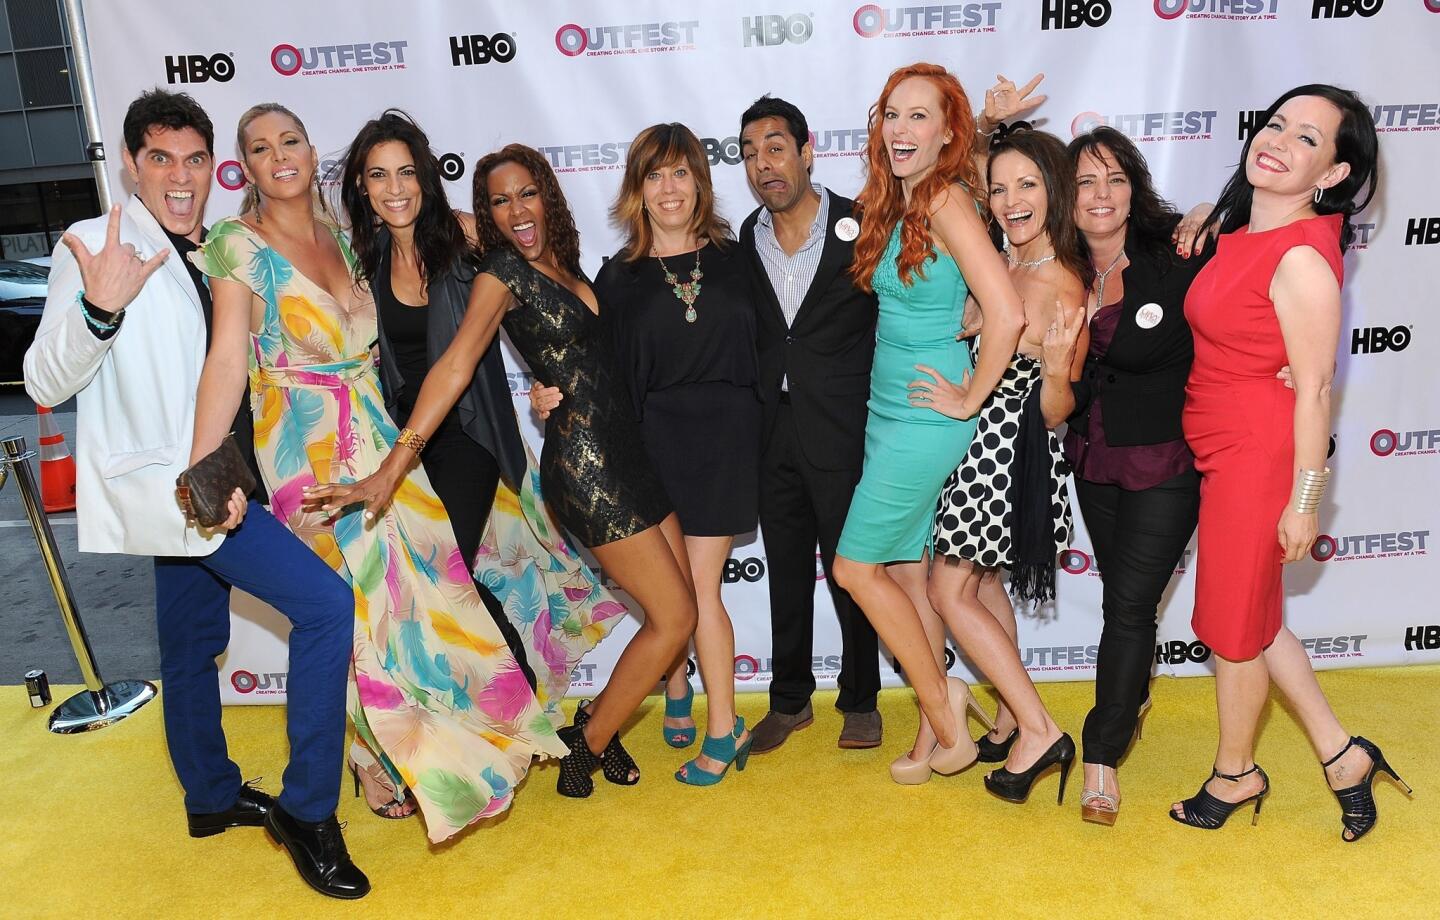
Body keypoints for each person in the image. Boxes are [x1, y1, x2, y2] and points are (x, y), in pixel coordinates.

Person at [189, 104, 567, 841]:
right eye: (260, 148)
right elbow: (228, 359)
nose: (280, 156)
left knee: (425, 598)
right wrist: (209, 468)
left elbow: (481, 254)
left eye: (290, 140)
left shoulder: (342, 234)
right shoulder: (238, 243)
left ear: (310, 149)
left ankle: (440, 743)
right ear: (247, 167)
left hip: (379, 434)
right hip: (300, 446)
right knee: (346, 610)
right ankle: (366, 760)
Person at [23, 90, 366, 899]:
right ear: (131, 165)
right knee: (325, 608)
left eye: (194, 159)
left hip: (232, 475)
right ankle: (309, 812)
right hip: (189, 493)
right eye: (160, 159)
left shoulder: (216, 243)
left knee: (187, 645)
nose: (180, 176)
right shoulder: (94, 248)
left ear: (215, 167)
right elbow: (43, 378)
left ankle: (209, 799)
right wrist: (100, 309)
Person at [308, 144, 701, 799]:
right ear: (485, 215)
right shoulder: (500, 273)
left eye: (527, 193)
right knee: (674, 618)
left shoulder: (565, 262)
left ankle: (595, 723)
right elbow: (456, 365)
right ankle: (589, 742)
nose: (516, 209)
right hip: (588, 468)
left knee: (678, 611)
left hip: (632, 456)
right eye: (499, 200)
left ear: (548, 195)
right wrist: (395, 464)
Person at [1171, 84, 1411, 839]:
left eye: (1309, 138)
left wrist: (1306, 501)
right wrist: (1206, 218)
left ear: (1333, 173)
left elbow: (1313, 390)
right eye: (1277, 124)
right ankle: (1342, 757)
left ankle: (1236, 773)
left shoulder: (1303, 259)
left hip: (1259, 458)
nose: (1279, 140)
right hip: (1224, 447)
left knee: (1233, 629)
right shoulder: (1245, 231)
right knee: (1260, 618)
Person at [337, 110, 623, 724]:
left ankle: (514, 709)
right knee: (420, 582)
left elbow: (530, 290)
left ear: (426, 177)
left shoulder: (466, 235)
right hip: (402, 433)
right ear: (362, 185)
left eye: (407, 172)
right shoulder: (371, 249)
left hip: (464, 434)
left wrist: (554, 374)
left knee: (448, 572)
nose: (395, 189)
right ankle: (500, 709)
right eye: (379, 176)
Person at [828, 63, 1026, 781]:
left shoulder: (942, 198)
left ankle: (947, 712)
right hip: (887, 408)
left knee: (854, 568)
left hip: (924, 416)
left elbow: (1006, 312)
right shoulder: (903, 197)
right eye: (891, 114)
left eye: (920, 117)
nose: (900, 130)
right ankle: (933, 728)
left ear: (946, 133)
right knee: (909, 576)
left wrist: (969, 396)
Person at [918, 126, 1086, 802]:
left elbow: (1056, 410)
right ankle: (1018, 718)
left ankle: (1041, 729)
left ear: (1055, 193)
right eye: (999, 186)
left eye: (1028, 186)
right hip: (983, 441)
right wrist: (989, 124)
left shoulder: (1061, 285)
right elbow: (968, 159)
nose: (1011, 199)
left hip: (1008, 450)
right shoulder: (1005, 259)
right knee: (983, 590)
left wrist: (1049, 371)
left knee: (947, 591)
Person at [596, 123, 759, 784]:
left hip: (724, 439)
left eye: (681, 173)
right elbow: (597, 374)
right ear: (637, 188)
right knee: (668, 595)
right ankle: (675, 686)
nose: (670, 188)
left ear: (700, 182)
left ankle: (724, 730)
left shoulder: (736, 258)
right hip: (650, 444)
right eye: (655, 175)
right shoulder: (617, 278)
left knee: (698, 590)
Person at [1060, 126, 1213, 824]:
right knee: (1125, 605)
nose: (1100, 194)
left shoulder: (1174, 255)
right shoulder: (1054, 264)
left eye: (1114, 179)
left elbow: (1254, 273)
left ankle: (1100, 755)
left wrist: (1217, 212)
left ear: (1135, 189)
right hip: (1091, 459)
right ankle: (1133, 686)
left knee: (1126, 608)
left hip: (1165, 462)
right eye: (1085, 181)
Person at [733, 95, 884, 752]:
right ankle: (790, 700)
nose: (763, 164)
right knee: (785, 569)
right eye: (748, 153)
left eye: (773, 147)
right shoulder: (746, 235)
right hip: (771, 430)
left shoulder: (865, 223)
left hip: (844, 427)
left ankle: (861, 699)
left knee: (853, 572)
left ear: (805, 149)